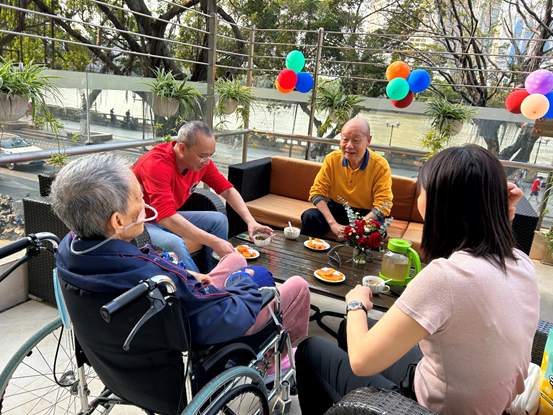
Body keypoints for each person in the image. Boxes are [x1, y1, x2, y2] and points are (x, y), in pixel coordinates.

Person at [295, 144, 539, 415]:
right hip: (481, 400)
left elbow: (361, 362)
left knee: (311, 349)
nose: (418, 193)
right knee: (348, 330)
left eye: (421, 189)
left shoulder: (446, 277)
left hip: (429, 407)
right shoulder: (522, 262)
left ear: (439, 203)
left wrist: (356, 304)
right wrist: (495, 209)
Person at [51, 153, 310, 347]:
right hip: (207, 332)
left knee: (235, 259)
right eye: (139, 198)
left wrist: (190, 275)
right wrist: (242, 283)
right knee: (294, 284)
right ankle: (278, 356)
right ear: (118, 221)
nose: (145, 204)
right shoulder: (153, 278)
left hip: (167, 314)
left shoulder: (68, 251)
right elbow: (226, 318)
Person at [132, 121, 273, 272]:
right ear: (182, 148)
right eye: (203, 156)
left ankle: (218, 274)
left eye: (211, 155)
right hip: (139, 223)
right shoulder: (156, 164)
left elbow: (227, 190)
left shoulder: (201, 163)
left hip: (165, 216)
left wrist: (250, 221)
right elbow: (166, 218)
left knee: (219, 220)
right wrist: (214, 241)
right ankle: (201, 285)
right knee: (174, 243)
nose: (206, 162)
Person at [301, 118, 393, 239]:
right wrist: (333, 224)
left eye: (356, 140)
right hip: (336, 209)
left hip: (366, 214)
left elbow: (383, 204)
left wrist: (357, 227)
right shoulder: (332, 159)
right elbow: (316, 192)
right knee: (310, 216)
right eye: (345, 139)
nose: (349, 146)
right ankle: (307, 251)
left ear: (368, 141)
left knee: (374, 233)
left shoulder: (380, 165)